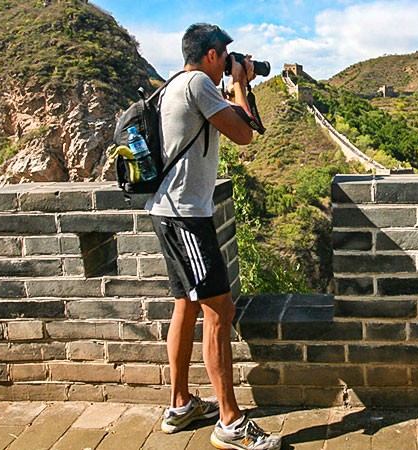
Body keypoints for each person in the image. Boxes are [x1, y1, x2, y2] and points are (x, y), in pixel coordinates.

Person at [147, 23, 281, 450]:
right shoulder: (200, 85)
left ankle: (181, 404)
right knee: (219, 310)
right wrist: (241, 85)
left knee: (186, 305)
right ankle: (230, 422)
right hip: (188, 217)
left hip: (168, 212)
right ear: (210, 55)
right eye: (225, 55)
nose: (229, 62)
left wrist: (240, 83)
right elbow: (244, 135)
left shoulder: (175, 85)